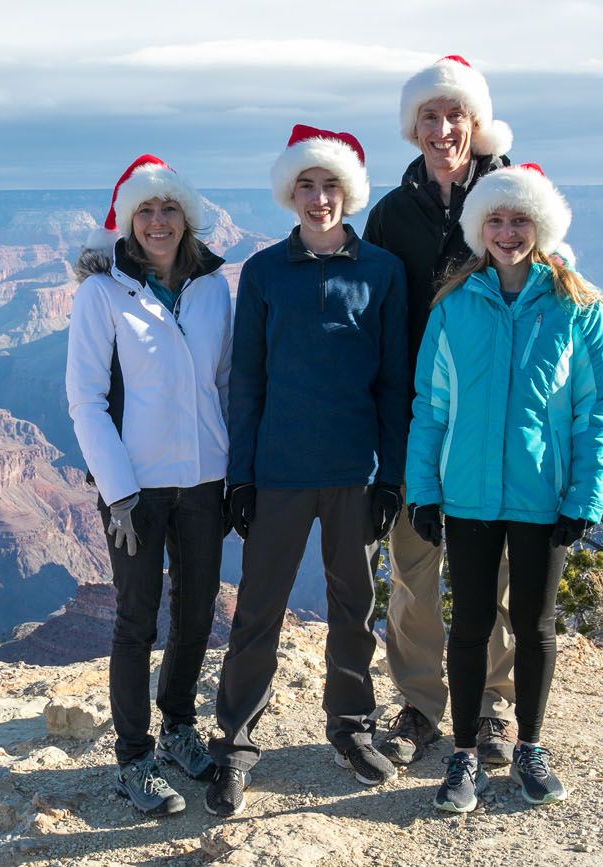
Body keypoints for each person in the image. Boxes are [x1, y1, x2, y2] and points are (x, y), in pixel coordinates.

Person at [205, 125, 409, 818]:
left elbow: (393, 382)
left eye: (330, 185)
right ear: (290, 193)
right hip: (279, 472)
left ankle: (351, 727)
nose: (319, 198)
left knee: (355, 605)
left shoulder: (381, 271)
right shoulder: (264, 272)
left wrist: (392, 476)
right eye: (306, 186)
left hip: (354, 470)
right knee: (258, 610)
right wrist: (240, 477)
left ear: (348, 191)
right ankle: (233, 743)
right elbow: (247, 382)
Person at [405, 163, 603, 812]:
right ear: (479, 228)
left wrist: (585, 495)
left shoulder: (576, 308)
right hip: (466, 493)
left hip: (542, 495)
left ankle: (529, 747)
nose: (506, 231)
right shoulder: (453, 305)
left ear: (541, 226)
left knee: (534, 624)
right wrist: (422, 489)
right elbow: (431, 405)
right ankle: (464, 753)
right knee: (469, 624)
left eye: (519, 219)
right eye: (495, 219)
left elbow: (598, 405)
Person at [362, 54, 519, 767]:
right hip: (416, 417)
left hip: (490, 412)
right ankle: (422, 704)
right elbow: (373, 318)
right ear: (413, 126)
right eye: (429, 115)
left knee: (493, 566)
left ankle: (494, 704)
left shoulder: (513, 194)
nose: (443, 127)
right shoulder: (391, 214)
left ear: (475, 122)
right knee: (414, 563)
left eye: (455, 113)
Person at [65, 154, 233, 816]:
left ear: (184, 216)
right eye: (145, 210)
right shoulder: (101, 294)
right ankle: (133, 759)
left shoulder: (214, 288)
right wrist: (118, 489)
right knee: (136, 619)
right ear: (127, 221)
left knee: (196, 613)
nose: (158, 221)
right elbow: (85, 399)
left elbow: (224, 383)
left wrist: (234, 473)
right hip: (135, 486)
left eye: (168, 209)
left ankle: (178, 729)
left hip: (204, 480)